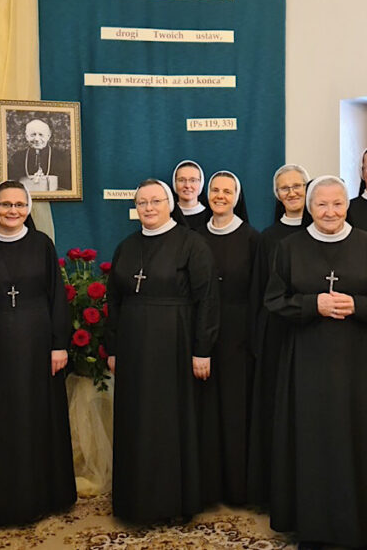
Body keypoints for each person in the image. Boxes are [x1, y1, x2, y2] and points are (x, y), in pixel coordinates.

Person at [265, 175, 367, 549]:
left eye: (337, 204)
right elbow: (274, 301)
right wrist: (313, 304)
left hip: (356, 361)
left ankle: (360, 525)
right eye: (322, 204)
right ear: (310, 208)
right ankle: (313, 527)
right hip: (306, 360)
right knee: (311, 439)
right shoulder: (290, 248)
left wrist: (357, 304)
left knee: (357, 438)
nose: (330, 212)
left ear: (347, 206)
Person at [106, 179, 220, 523]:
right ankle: (135, 501)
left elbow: (207, 300)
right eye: (142, 202)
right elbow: (114, 301)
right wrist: (113, 348)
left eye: (156, 201)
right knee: (136, 419)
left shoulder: (192, 243)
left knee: (170, 421)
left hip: (176, 343)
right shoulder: (126, 246)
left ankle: (172, 502)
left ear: (170, 204)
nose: (149, 208)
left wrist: (202, 349)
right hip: (133, 346)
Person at [0, 180, 76, 525]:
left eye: (19, 204)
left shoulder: (42, 244)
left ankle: (43, 496)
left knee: (36, 418)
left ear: (28, 208)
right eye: (4, 204)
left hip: (38, 345)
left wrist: (59, 344)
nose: (12, 211)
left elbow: (57, 297)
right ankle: (0, 502)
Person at [193, 170, 259, 506]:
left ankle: (237, 489)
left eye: (227, 191)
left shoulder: (252, 239)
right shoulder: (194, 237)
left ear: (237, 196)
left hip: (238, 333)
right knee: (204, 410)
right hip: (201, 332)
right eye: (215, 190)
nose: (220, 196)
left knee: (235, 409)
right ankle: (207, 489)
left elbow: (258, 292)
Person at [246, 162, 309, 508]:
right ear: (276, 195)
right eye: (285, 188)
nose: (292, 192)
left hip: (312, 333)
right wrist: (258, 339)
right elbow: (259, 291)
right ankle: (277, 490)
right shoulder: (268, 237)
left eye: (298, 186)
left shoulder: (321, 228)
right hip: (276, 334)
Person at [7, 119, 73, 192]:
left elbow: (68, 187)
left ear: (48, 136)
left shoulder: (61, 157)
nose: (37, 139)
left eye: (41, 135)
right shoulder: (17, 158)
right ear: (26, 136)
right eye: (33, 135)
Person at [170, 159, 210, 228]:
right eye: (181, 180)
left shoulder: (211, 216)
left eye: (193, 180)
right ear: (174, 183)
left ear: (201, 183)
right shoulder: (167, 216)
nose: (187, 185)